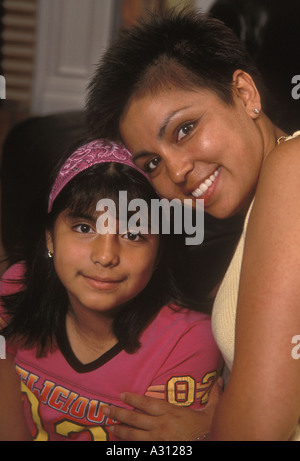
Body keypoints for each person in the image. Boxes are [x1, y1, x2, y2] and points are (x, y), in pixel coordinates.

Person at [85, 9, 300, 441]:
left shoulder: (292, 168)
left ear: (244, 93)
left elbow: (258, 430)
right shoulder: (261, 210)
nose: (177, 172)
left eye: (184, 129)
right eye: (152, 163)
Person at [0, 138, 222, 441]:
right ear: (50, 238)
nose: (105, 256)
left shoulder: (187, 340)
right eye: (84, 228)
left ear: (158, 253)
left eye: (132, 234)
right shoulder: (16, 286)